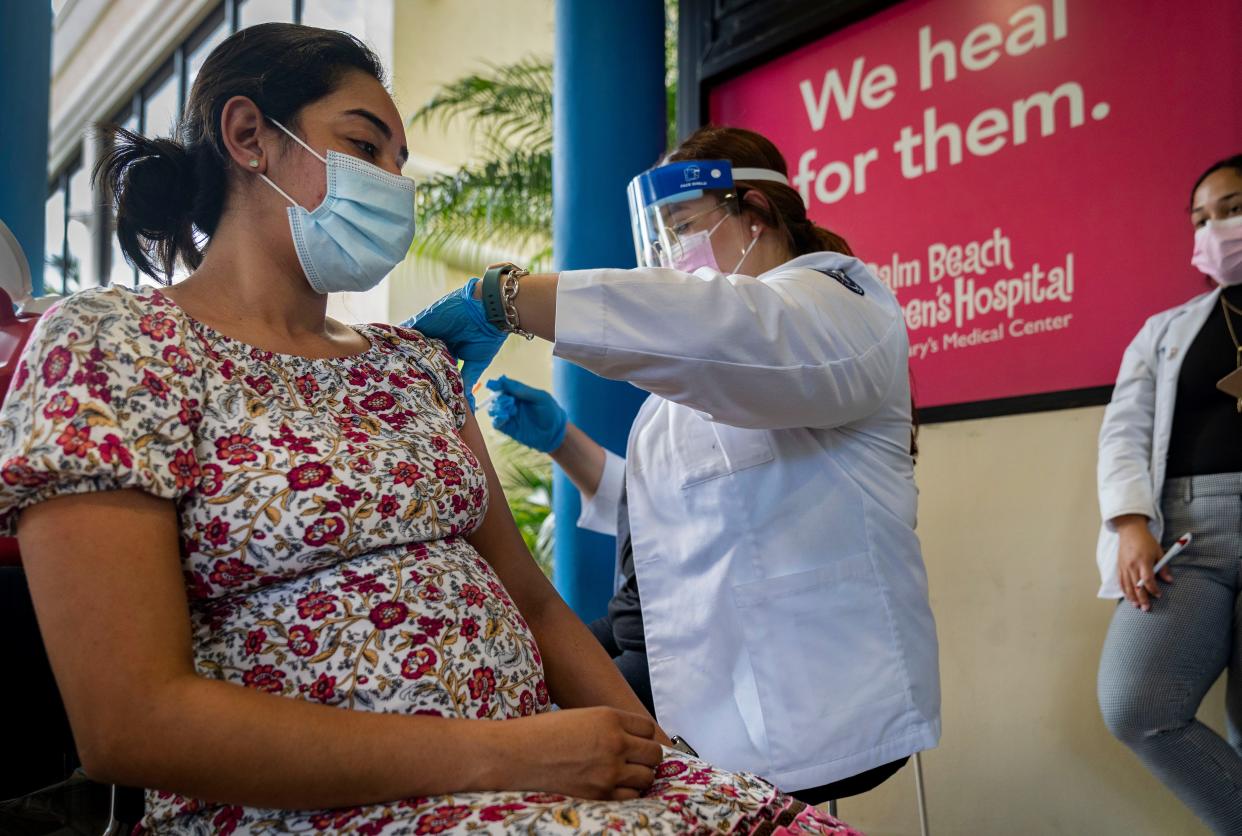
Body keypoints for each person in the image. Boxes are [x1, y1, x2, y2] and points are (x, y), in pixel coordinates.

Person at [0, 24, 859, 835]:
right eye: (364, 146)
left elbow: (531, 601)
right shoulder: (114, 345)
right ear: (248, 135)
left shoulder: (410, 365)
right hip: (329, 806)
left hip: (533, 778)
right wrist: (508, 753)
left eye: (399, 162)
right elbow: (130, 723)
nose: (392, 185)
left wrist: (661, 764)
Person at [411, 126, 941, 802]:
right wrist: (560, 441)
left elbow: (731, 330)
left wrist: (506, 300)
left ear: (753, 211)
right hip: (676, 640)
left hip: (800, 686)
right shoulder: (717, 352)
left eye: (684, 227)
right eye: (658, 236)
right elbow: (671, 499)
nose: (670, 256)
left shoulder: (837, 303)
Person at [1096, 153, 1242, 833]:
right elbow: (1123, 430)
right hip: (1188, 531)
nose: (1216, 228)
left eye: (1232, 209)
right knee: (1136, 706)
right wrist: (1130, 524)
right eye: (1202, 218)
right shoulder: (1165, 331)